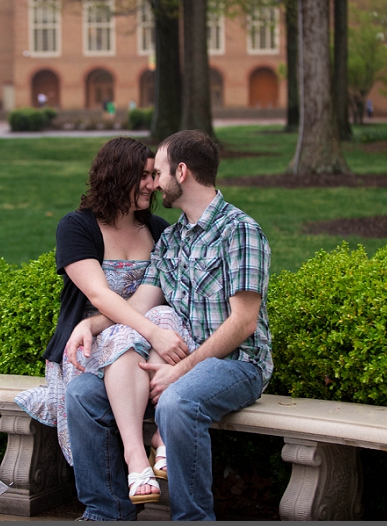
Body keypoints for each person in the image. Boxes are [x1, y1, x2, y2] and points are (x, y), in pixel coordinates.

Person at [65, 129, 272, 521]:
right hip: (177, 358)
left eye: (157, 173)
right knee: (81, 395)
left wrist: (181, 370)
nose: (154, 184)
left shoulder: (239, 231)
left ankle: (192, 519)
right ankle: (106, 513)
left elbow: (243, 323)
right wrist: (92, 326)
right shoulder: (172, 238)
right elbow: (141, 302)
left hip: (237, 364)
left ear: (181, 172)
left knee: (178, 402)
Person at [14, 136, 192, 504]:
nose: (153, 184)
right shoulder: (77, 227)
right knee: (139, 332)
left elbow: (156, 296)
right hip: (87, 352)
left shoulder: (158, 230)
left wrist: (149, 330)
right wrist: (144, 333)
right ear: (118, 177)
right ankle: (136, 457)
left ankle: (160, 437)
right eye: (144, 176)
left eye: (153, 175)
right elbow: (99, 296)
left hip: (141, 351)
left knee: (164, 314)